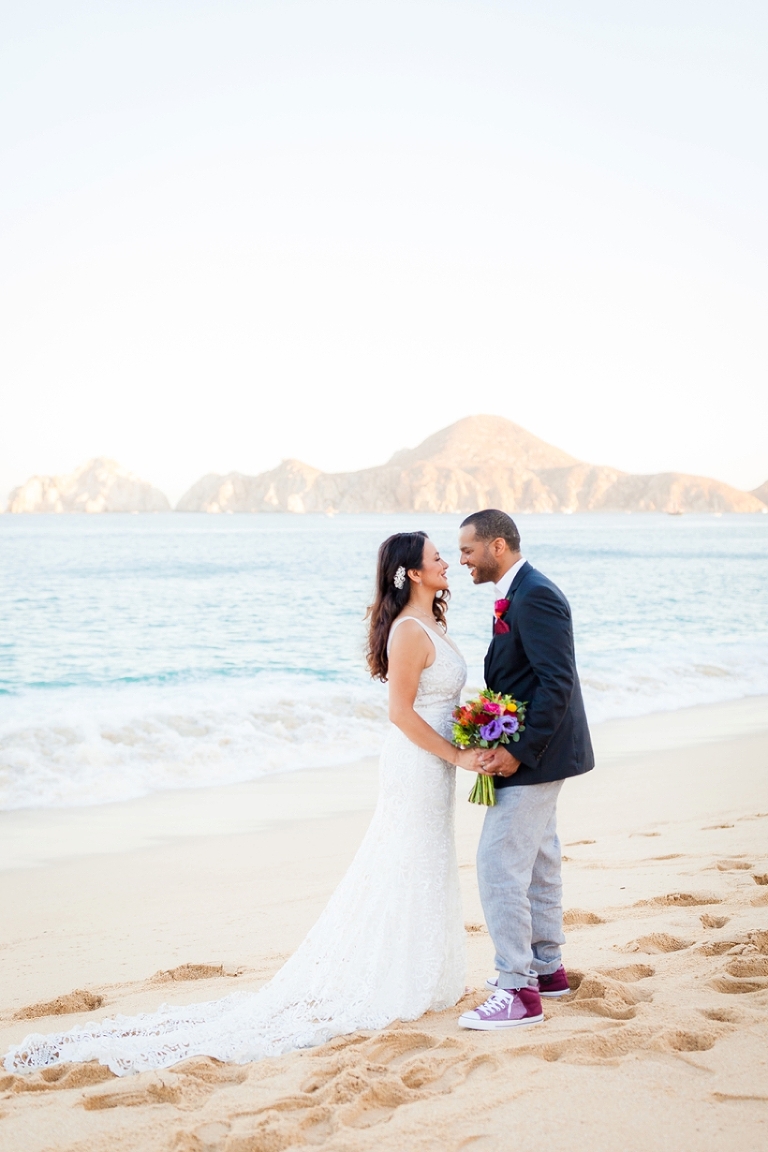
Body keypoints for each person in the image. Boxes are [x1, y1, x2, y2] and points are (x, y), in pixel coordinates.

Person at [5, 532, 480, 1076]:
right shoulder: (408, 633)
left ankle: (426, 972)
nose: (446, 561)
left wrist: (472, 735)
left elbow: (439, 701)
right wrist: (456, 754)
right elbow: (400, 713)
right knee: (406, 857)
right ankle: (397, 979)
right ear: (413, 573)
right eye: (436, 556)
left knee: (427, 858)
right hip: (418, 762)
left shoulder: (433, 624)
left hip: (436, 759)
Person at [456, 509, 594, 1031]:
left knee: (497, 863)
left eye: (468, 550)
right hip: (534, 749)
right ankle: (546, 969)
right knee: (538, 857)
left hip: (538, 754)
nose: (462, 560)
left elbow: (559, 682)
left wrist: (518, 750)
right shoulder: (518, 593)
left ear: (496, 546)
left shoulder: (535, 594)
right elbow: (524, 679)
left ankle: (518, 990)